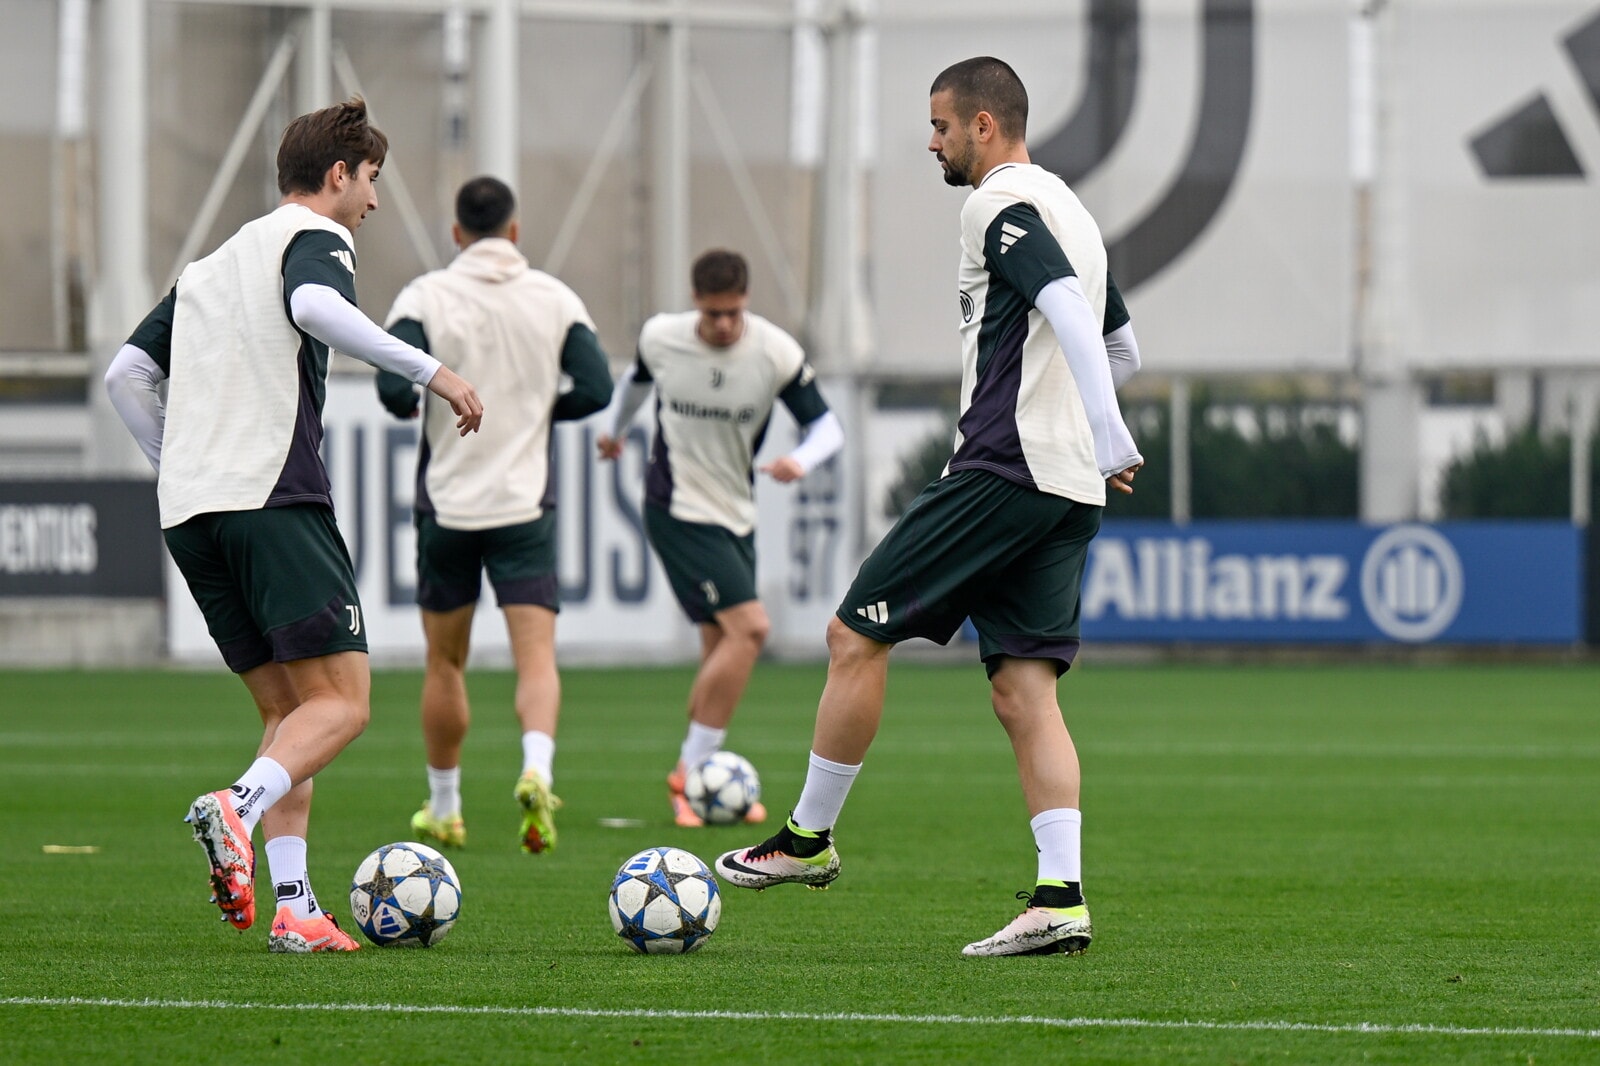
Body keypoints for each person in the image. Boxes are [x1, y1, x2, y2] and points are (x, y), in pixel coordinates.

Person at [714, 57, 1145, 958]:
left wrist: (1106, 431)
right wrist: (1090, 434)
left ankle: (808, 837)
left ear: (984, 126)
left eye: (942, 126)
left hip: (1005, 469)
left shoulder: (997, 202)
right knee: (1025, 690)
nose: (932, 142)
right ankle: (1060, 898)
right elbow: (1123, 346)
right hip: (1067, 487)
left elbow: (1068, 310)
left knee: (852, 635)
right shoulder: (1076, 212)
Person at [104, 97, 484, 953]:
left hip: (192, 514)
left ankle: (296, 907)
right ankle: (234, 808)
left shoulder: (207, 267)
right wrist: (434, 372)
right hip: (272, 498)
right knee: (343, 705)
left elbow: (125, 376)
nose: (374, 200)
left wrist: (181, 462)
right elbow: (313, 307)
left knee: (289, 717)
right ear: (338, 174)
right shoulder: (315, 236)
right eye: (371, 180)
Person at [375, 176, 613, 854]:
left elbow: (392, 387)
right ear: (514, 231)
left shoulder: (425, 295)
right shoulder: (554, 297)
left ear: (457, 233)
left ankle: (446, 807)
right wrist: (542, 410)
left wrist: (416, 402)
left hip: (448, 506)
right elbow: (597, 387)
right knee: (535, 658)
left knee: (445, 662)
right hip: (523, 505)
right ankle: (537, 772)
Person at [596, 249, 844, 827]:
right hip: (677, 508)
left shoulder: (775, 351)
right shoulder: (662, 337)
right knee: (750, 629)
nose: (725, 324)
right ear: (696, 303)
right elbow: (634, 384)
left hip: (737, 514)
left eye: (734, 312)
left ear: (746, 302)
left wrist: (801, 460)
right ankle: (689, 775)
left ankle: (702, 783)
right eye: (713, 314)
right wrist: (613, 431)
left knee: (720, 649)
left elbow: (827, 426)